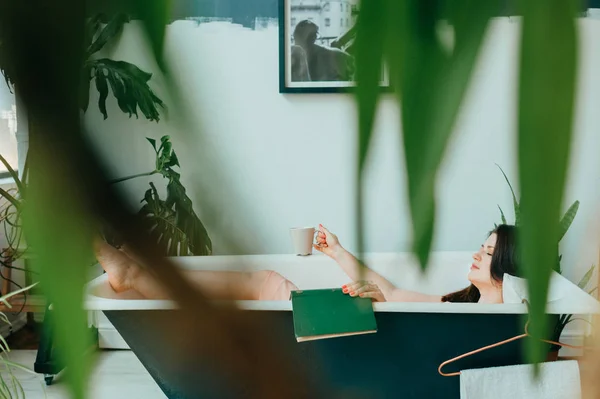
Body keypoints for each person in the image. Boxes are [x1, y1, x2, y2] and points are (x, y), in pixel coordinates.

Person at [314, 224, 519, 304]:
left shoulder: (513, 323)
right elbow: (392, 294)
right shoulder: (458, 304)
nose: (476, 255)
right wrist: (337, 252)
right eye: (482, 248)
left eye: (489, 252)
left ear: (508, 268)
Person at [94, 238, 298, 301]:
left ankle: (136, 274)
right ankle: (140, 273)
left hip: (309, 312)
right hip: (310, 307)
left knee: (258, 284)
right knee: (259, 282)